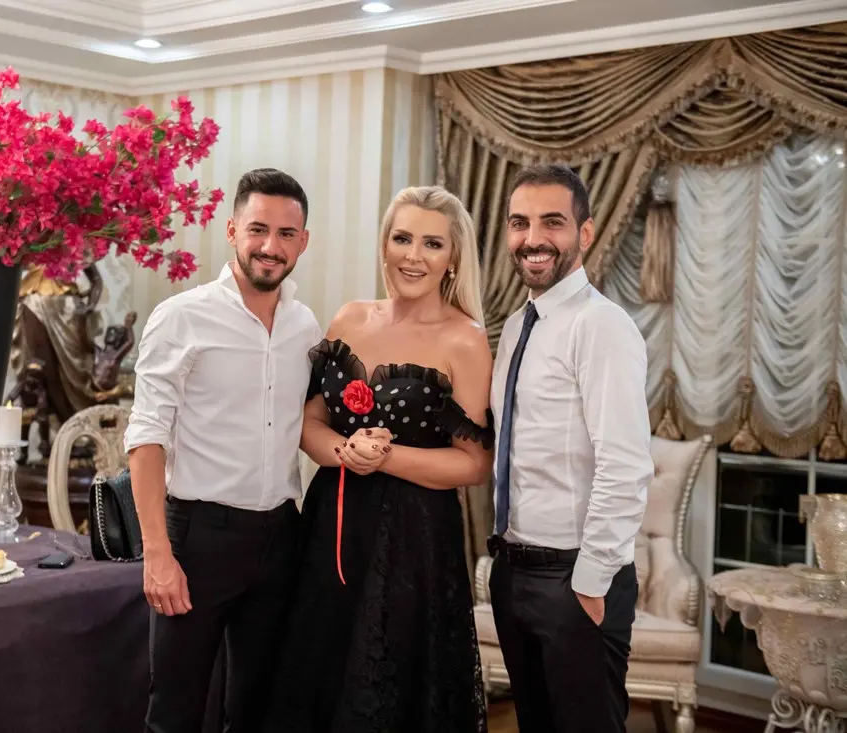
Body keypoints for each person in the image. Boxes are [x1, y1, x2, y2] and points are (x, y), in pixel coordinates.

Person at [265, 186, 494, 733]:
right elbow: (308, 424)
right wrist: (346, 452)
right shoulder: (349, 318)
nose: (413, 256)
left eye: (432, 243)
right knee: (318, 674)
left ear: (453, 258)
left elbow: (474, 464)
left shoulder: (465, 340)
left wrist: (382, 458)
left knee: (392, 685)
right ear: (385, 244)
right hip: (331, 528)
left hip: (415, 542)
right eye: (402, 238)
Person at [124, 168, 323, 733]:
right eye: (258, 229)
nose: (270, 246)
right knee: (176, 713)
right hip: (199, 539)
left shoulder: (305, 327)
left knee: (263, 712)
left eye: (286, 234)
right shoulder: (181, 317)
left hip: (281, 536)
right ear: (232, 229)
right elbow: (146, 437)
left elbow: (310, 424)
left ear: (303, 242)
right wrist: (157, 555)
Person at [487, 164, 653, 733]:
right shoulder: (516, 326)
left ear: (585, 233)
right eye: (519, 223)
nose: (532, 238)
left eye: (551, 222)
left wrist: (590, 581)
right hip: (512, 570)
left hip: (574, 579)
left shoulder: (602, 325)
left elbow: (625, 465)